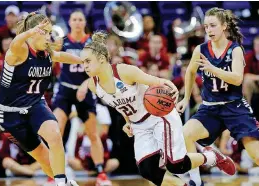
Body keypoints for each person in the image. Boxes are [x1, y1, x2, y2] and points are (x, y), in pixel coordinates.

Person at [79, 31, 236, 186]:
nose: (84, 66)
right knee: (148, 170)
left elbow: (157, 81)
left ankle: (212, 157)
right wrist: (128, 121)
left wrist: (171, 87)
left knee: (175, 164)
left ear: (101, 59)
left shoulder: (124, 71)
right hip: (139, 125)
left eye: (87, 61)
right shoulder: (93, 85)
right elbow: (119, 104)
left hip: (159, 116)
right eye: (83, 62)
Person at [0, 12, 81, 186]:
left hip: (35, 105)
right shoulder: (19, 50)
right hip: (10, 115)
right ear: (34, 32)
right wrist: (29, 32)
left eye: (50, 31)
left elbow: (60, 56)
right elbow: (15, 42)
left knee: (55, 135)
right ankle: (64, 181)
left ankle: (61, 184)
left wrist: (84, 61)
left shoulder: (46, 52)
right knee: (43, 158)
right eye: (46, 31)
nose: (50, 36)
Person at [176, 7, 259, 186]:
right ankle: (196, 182)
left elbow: (237, 79)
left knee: (256, 156)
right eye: (206, 27)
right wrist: (186, 98)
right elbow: (190, 72)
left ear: (224, 26)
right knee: (186, 134)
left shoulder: (235, 50)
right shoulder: (201, 49)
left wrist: (213, 69)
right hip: (210, 108)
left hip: (234, 107)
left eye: (213, 26)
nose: (209, 30)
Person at [51, 10, 112, 186]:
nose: (77, 22)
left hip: (85, 89)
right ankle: (54, 173)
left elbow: (101, 70)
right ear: (69, 22)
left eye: (80, 19)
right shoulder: (62, 42)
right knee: (57, 129)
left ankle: (100, 173)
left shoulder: (91, 44)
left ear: (84, 22)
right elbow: (51, 61)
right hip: (65, 89)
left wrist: (86, 85)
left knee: (93, 133)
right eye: (74, 19)